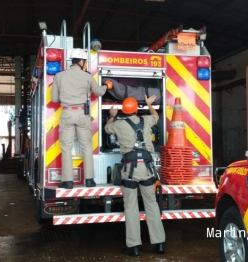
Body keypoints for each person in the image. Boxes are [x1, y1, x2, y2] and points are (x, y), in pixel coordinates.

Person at [104, 95, 165, 256]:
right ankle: (159, 243)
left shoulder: (118, 124)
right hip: (147, 169)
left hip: (130, 169)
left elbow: (106, 129)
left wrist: (111, 115)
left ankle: (134, 246)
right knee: (151, 204)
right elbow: (156, 117)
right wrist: (150, 105)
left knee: (131, 207)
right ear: (137, 110)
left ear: (124, 111)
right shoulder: (146, 120)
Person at [51, 48, 113, 189]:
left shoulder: (59, 76)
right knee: (86, 147)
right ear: (81, 61)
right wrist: (106, 85)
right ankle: (89, 180)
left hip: (67, 113)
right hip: (82, 114)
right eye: (84, 61)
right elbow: (99, 92)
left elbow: (54, 98)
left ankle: (67, 181)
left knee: (66, 148)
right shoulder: (87, 77)